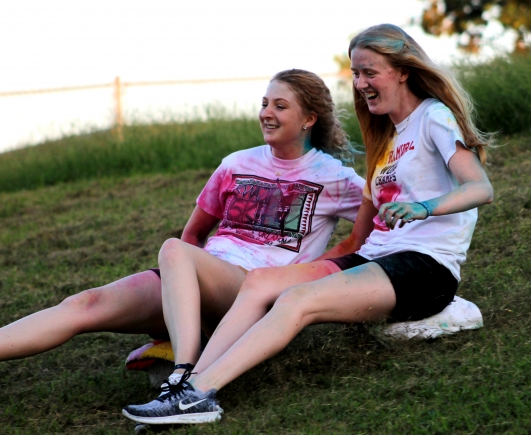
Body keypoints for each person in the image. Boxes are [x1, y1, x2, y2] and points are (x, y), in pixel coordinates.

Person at [122, 23, 494, 425]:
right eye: (355, 73)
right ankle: (184, 386)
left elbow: (480, 187)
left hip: (424, 265)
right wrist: (305, 269)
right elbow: (357, 236)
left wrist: (425, 207)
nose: (361, 83)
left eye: (370, 72)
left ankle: (200, 395)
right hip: (374, 257)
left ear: (402, 70)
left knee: (296, 301)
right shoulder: (385, 138)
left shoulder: (433, 117)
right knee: (262, 281)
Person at [0, 69, 364, 365]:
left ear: (309, 119)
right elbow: (195, 235)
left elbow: (378, 229)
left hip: (251, 291)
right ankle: (185, 342)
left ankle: (185, 373)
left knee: (174, 250)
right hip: (196, 277)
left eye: (280, 106)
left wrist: (314, 274)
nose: (266, 113)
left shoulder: (334, 177)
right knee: (85, 304)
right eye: (265, 103)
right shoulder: (236, 164)